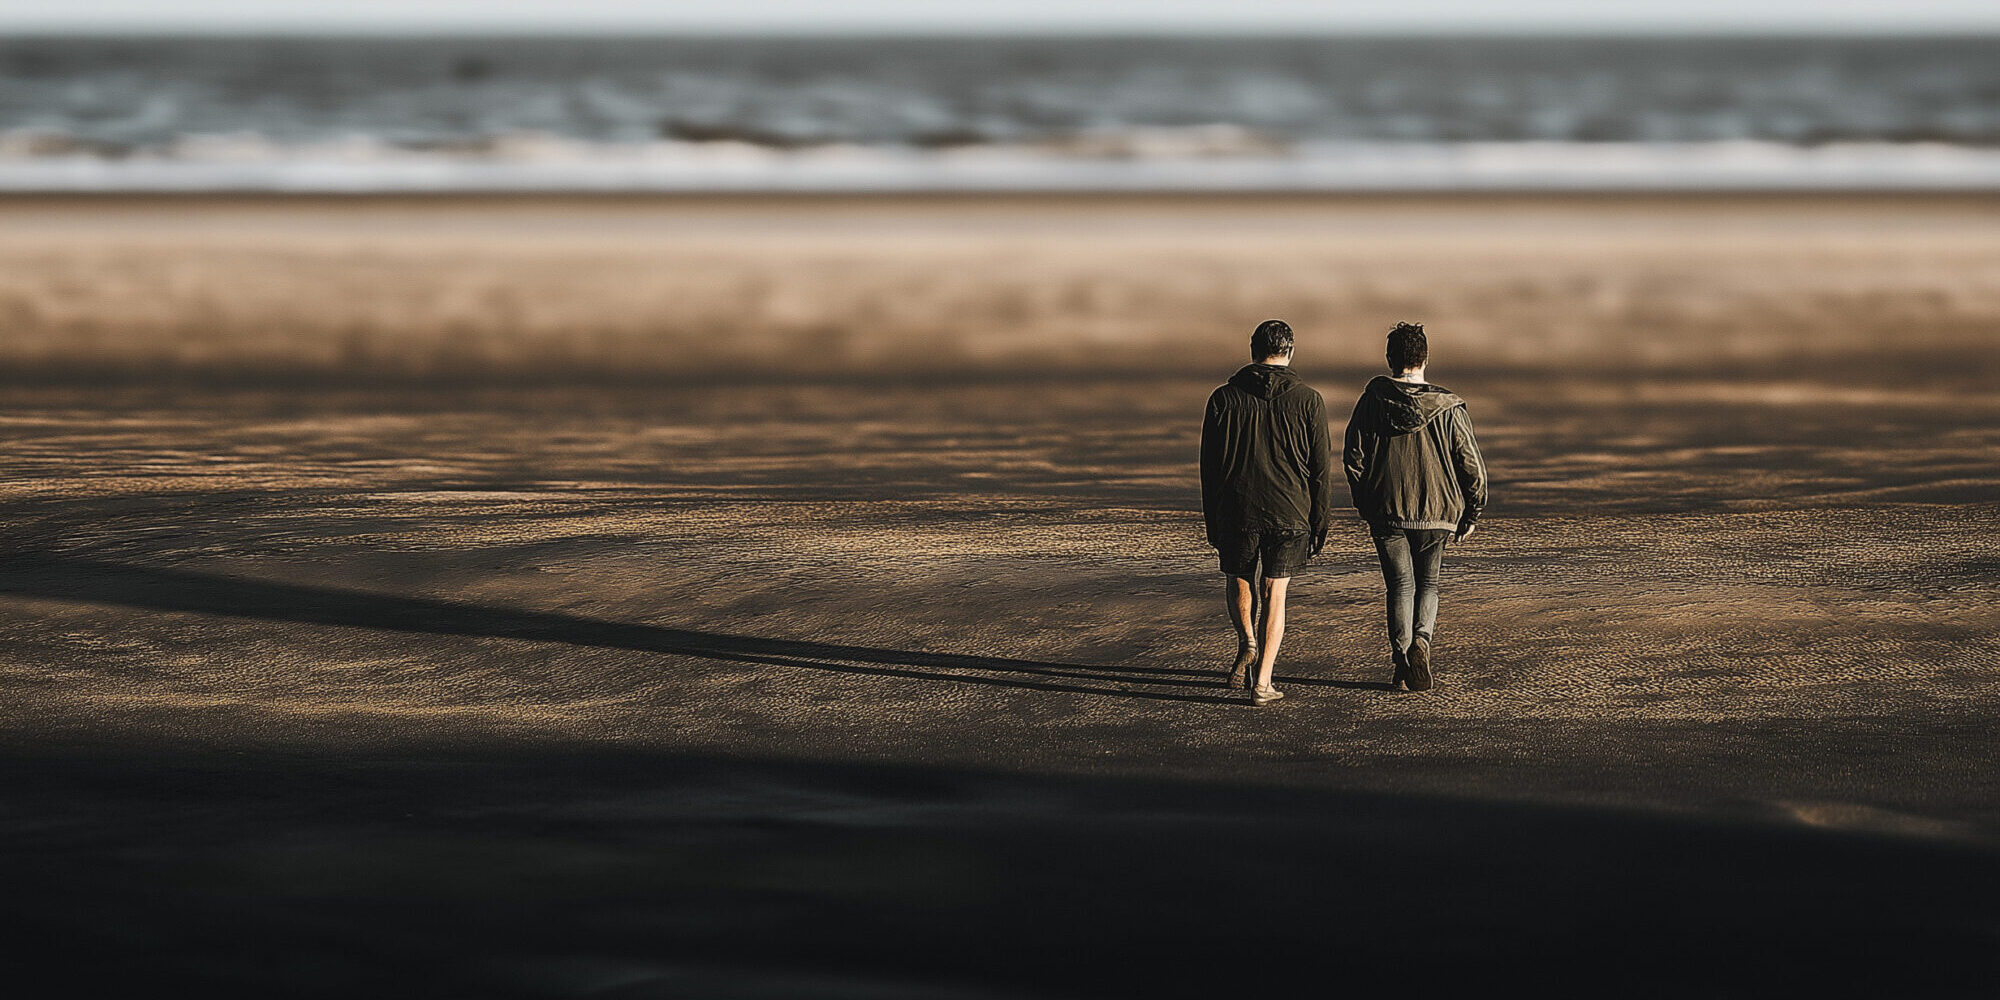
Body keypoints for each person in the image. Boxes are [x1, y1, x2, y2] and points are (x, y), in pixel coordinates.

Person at [1343, 322, 1488, 692]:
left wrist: (1366, 503)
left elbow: (1353, 458)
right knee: (1428, 584)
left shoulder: (1372, 400)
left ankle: (1401, 659)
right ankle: (1422, 642)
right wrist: (1472, 511)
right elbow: (1471, 464)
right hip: (1438, 511)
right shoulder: (1450, 407)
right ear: (1425, 357)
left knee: (1399, 586)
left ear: (1390, 359)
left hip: (1387, 509)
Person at [1200, 319, 1334, 705]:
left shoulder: (1223, 399)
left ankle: (1247, 640)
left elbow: (1209, 468)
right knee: (1276, 593)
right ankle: (1263, 684)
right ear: (1289, 352)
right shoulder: (1309, 400)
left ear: (1253, 350)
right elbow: (1321, 469)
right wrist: (1320, 521)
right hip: (1290, 511)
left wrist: (1213, 520)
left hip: (1236, 508)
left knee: (1239, 578)